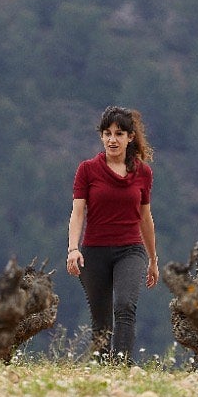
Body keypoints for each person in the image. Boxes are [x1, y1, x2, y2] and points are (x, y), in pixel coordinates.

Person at [66, 105, 158, 361]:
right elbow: (78, 213)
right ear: (101, 136)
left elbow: (145, 218)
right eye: (107, 133)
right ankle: (103, 370)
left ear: (130, 137)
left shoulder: (143, 172)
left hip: (130, 250)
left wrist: (153, 259)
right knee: (101, 319)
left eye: (119, 134)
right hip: (94, 251)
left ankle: (121, 366)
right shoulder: (87, 170)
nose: (112, 140)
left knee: (125, 305)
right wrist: (73, 249)